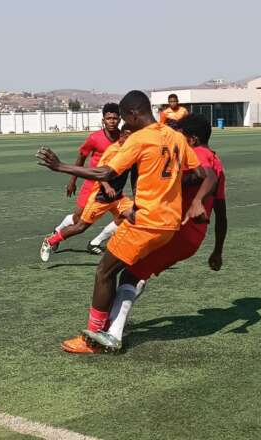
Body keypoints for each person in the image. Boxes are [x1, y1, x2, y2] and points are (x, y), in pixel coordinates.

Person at [36, 90, 217, 354]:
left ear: (133, 113)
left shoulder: (140, 139)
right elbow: (202, 173)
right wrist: (183, 193)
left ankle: (93, 338)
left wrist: (61, 167)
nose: (123, 124)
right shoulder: (175, 136)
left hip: (146, 222)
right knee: (127, 273)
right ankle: (111, 327)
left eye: (124, 118)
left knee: (104, 272)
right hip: (169, 224)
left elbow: (105, 172)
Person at [85, 114, 228, 351]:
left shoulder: (198, 156)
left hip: (176, 230)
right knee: (135, 273)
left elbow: (207, 177)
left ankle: (113, 332)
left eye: (181, 134)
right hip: (193, 238)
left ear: (191, 139)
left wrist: (196, 201)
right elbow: (221, 213)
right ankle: (113, 324)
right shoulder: (217, 160)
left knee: (124, 272)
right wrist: (217, 251)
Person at [40, 126, 134, 262]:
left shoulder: (130, 150)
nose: (130, 139)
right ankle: (50, 240)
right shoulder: (113, 151)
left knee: (132, 215)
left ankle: (96, 242)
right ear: (121, 137)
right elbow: (99, 171)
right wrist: (107, 186)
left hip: (118, 197)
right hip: (101, 197)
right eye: (127, 136)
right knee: (80, 226)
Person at [48, 103, 121, 255]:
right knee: (78, 219)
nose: (112, 121)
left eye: (115, 118)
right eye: (109, 118)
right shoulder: (94, 138)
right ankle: (58, 231)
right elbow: (81, 158)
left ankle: (96, 242)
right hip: (92, 183)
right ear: (103, 120)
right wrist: (72, 181)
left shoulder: (123, 138)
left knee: (124, 216)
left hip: (114, 186)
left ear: (119, 119)